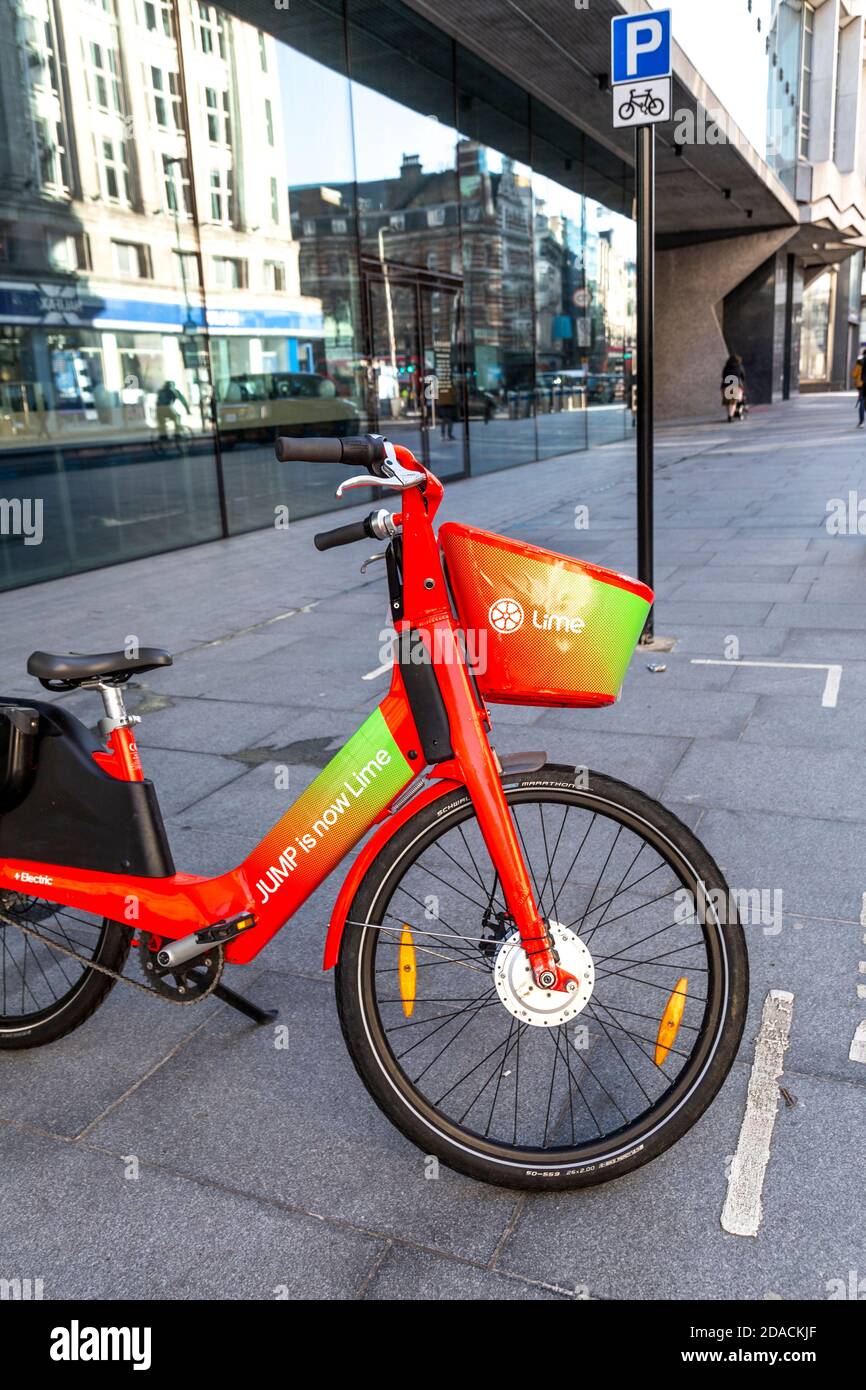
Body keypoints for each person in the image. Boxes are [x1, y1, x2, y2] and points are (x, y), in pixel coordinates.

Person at [721, 353, 746, 422]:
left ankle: (729, 414)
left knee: (728, 402)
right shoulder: (739, 366)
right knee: (733, 402)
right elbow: (743, 376)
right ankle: (730, 416)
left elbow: (723, 376)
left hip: (725, 385)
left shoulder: (726, 367)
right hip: (735, 385)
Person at [853, 345, 866, 427]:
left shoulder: (860, 362)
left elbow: (854, 374)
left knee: (862, 402)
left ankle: (861, 422)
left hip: (862, 385)